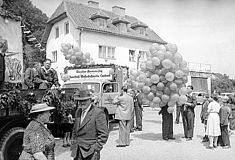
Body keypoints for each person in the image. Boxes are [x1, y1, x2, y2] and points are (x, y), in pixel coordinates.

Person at [71, 88, 109, 160]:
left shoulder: (98, 113)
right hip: (77, 150)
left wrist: (96, 148)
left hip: (90, 152)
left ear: (90, 100)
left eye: (84, 100)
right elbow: (75, 129)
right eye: (80, 101)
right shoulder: (78, 111)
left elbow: (104, 134)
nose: (82, 103)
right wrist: (73, 143)